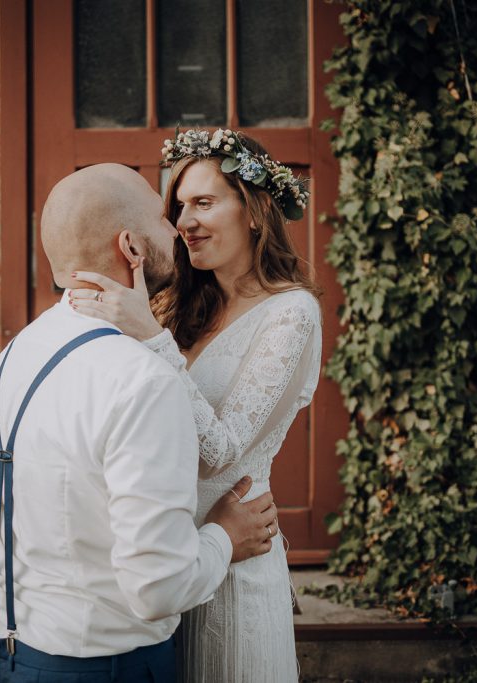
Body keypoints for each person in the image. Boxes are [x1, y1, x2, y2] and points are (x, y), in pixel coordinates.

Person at [0, 162, 279, 683]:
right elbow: (158, 588)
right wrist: (226, 536)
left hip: (4, 651)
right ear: (132, 248)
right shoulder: (143, 379)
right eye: (163, 218)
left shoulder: (15, 353)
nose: (177, 230)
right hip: (101, 667)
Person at [69, 129, 323, 682]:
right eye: (179, 206)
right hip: (161, 562)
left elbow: (219, 453)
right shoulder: (176, 304)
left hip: (235, 566)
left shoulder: (292, 314)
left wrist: (150, 336)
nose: (184, 222)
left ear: (254, 211)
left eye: (204, 202)